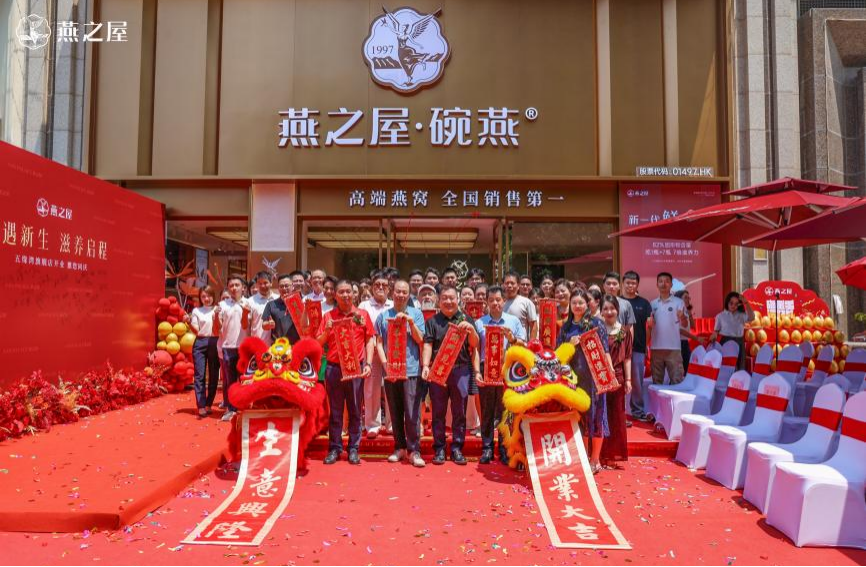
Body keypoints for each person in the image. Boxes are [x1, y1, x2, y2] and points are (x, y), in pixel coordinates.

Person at [317, 280, 375, 465]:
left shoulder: (362, 315)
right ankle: (334, 448)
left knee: (355, 409)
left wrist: (368, 364)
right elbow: (318, 343)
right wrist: (327, 331)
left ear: (354, 293)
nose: (345, 295)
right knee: (335, 411)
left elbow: (369, 340)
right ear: (335, 295)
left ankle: (353, 448)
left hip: (355, 367)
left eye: (348, 291)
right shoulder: (328, 316)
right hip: (334, 368)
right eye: (341, 292)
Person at [422, 286, 480, 465]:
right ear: (439, 301)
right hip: (438, 370)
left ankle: (457, 449)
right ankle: (439, 448)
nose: (448, 301)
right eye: (444, 298)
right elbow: (428, 345)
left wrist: (471, 330)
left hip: (460, 370)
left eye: (452, 298)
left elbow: (474, 345)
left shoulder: (466, 319)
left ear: (458, 300)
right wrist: (426, 366)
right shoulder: (432, 321)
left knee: (459, 411)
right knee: (438, 412)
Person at [374, 280, 427, 468]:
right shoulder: (383, 316)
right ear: (392, 292)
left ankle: (414, 450)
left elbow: (421, 340)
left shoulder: (416, 314)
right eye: (398, 291)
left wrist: (410, 322)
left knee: (412, 413)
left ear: (408, 294)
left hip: (411, 370)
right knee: (395, 412)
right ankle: (400, 447)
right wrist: (385, 365)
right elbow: (379, 343)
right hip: (391, 371)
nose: (401, 295)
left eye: (405, 292)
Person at [558, 289, 611, 474]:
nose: (577, 306)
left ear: (587, 304)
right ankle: (581, 458)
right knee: (579, 419)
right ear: (570, 305)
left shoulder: (596, 324)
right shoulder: (565, 327)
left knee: (597, 418)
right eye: (574, 303)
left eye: (581, 302)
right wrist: (569, 344)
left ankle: (595, 459)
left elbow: (605, 350)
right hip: (574, 380)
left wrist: (609, 372)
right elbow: (559, 354)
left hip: (595, 379)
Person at [474, 286, 526, 464]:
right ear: (486, 302)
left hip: (507, 370)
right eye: (491, 300)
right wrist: (477, 371)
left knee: (505, 412)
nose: (495, 303)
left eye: (498, 300)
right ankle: (487, 448)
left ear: (504, 301)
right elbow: (475, 350)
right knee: (487, 410)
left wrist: (512, 339)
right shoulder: (479, 323)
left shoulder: (513, 321)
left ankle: (505, 449)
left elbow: (523, 345)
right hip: (486, 368)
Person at [649, 273, 702, 389]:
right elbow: (649, 325)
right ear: (657, 284)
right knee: (656, 382)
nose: (663, 284)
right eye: (661, 281)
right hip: (656, 348)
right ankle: (658, 402)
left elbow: (685, 325)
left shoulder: (679, 302)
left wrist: (682, 317)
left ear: (671, 285)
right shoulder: (652, 304)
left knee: (677, 381)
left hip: (674, 349)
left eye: (667, 281)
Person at [358, 272, 394, 439]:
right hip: (371, 350)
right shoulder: (364, 305)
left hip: (390, 350)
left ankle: (392, 424)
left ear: (389, 288)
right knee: (371, 387)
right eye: (377, 285)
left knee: (392, 387)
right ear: (372, 287)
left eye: (384, 285)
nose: (380, 287)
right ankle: (372, 424)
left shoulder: (393, 305)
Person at [600, 295, 632, 468]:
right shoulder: (597, 331)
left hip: (618, 377)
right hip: (601, 378)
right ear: (601, 311)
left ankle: (613, 456)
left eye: (612, 308)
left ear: (617, 310)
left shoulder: (624, 332)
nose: (609, 312)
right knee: (601, 415)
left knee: (616, 417)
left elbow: (627, 358)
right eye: (605, 309)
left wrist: (628, 380)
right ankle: (599, 455)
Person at [214, 275, 250, 422]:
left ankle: (243, 408)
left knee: (244, 380)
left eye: (237, 285)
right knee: (230, 381)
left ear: (243, 288)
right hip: (228, 347)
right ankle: (231, 409)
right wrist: (216, 315)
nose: (234, 288)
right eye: (231, 286)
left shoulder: (248, 303)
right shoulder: (222, 305)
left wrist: (245, 312)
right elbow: (217, 329)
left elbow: (246, 326)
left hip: (244, 348)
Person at [622, 270, 652, 422]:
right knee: (619, 381)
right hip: (619, 349)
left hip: (638, 348)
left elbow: (649, 327)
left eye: (633, 283)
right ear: (623, 284)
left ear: (637, 285)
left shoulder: (644, 303)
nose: (630, 285)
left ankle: (638, 411)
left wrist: (646, 345)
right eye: (628, 283)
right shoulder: (617, 301)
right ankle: (619, 412)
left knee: (637, 382)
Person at [191, 286, 220, 418]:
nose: (206, 299)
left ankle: (209, 403)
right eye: (203, 296)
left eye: (209, 296)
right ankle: (201, 405)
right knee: (199, 374)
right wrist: (188, 322)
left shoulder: (218, 309)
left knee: (214, 374)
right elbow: (196, 331)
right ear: (200, 298)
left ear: (213, 296)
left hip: (214, 341)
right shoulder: (196, 311)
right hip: (200, 342)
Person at [709, 291, 755, 370]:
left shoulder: (741, 315)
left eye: (736, 304)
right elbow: (716, 331)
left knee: (740, 367)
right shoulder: (720, 316)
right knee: (726, 368)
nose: (733, 306)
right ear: (727, 302)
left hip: (739, 342)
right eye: (731, 303)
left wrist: (746, 303)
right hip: (725, 342)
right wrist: (714, 335)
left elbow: (752, 317)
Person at [261, 274, 303, 344]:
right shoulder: (271, 305)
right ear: (278, 288)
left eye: (286, 286)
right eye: (281, 286)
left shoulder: (300, 303)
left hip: (297, 345)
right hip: (278, 345)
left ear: (292, 286)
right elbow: (264, 325)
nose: (284, 288)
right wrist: (268, 324)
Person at [503, 270, 538, 339]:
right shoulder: (501, 304)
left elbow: (534, 326)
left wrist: (531, 344)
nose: (509, 286)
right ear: (503, 285)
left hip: (520, 344)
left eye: (512, 283)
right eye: (507, 283)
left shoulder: (526, 302)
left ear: (518, 285)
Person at [248, 271, 279, 346]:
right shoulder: (251, 301)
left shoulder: (278, 299)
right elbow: (247, 326)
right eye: (260, 283)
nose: (262, 286)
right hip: (258, 344)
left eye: (265, 283)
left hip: (277, 346)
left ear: (271, 283)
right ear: (256, 284)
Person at [675, 290, 695, 372]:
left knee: (687, 367)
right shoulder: (676, 311)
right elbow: (680, 330)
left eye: (688, 298)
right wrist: (696, 338)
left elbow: (693, 326)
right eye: (685, 297)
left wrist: (690, 314)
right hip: (678, 342)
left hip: (685, 342)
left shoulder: (686, 311)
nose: (688, 300)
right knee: (679, 368)